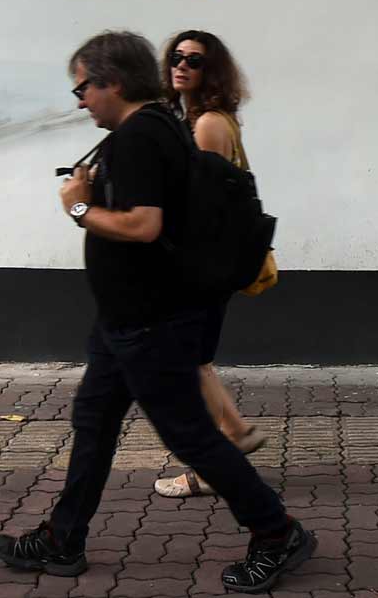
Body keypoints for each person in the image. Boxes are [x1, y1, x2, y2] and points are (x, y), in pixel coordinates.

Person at [0, 30, 314, 593]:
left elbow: (144, 225)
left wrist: (79, 207)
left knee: (189, 436)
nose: (80, 101)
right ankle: (63, 538)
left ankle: (276, 531)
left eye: (83, 88)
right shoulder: (160, 124)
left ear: (113, 82)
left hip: (151, 320)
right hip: (125, 320)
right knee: (94, 423)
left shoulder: (141, 136)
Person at [154, 29, 264, 499]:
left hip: (203, 265)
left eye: (194, 61)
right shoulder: (206, 119)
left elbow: (200, 204)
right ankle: (236, 434)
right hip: (209, 263)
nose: (181, 65)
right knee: (196, 362)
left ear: (210, 71)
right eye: (176, 57)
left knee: (189, 365)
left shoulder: (207, 125)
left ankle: (213, 464)